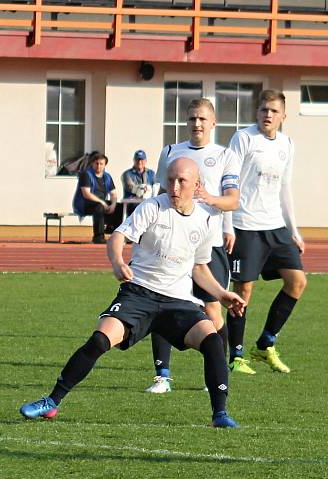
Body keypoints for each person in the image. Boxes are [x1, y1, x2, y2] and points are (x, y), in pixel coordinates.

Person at [20, 157, 246, 428]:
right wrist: (117, 262)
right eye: (170, 180)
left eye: (181, 181)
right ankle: (51, 402)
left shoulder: (206, 220)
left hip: (178, 301)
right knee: (100, 340)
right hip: (138, 294)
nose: (174, 187)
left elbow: (199, 268)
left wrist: (222, 294)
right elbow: (118, 236)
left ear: (197, 184)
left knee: (212, 341)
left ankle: (219, 414)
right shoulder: (152, 207)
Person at [144, 98, 242, 393]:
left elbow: (233, 199)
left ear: (213, 123)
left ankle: (218, 373)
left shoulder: (225, 155)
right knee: (160, 303)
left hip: (207, 244)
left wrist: (210, 200)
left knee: (213, 311)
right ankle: (162, 376)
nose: (196, 124)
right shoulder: (171, 152)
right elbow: (161, 193)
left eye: (202, 119)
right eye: (191, 119)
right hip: (172, 242)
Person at [226, 89, 307, 374]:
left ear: (283, 116)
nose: (267, 115)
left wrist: (294, 230)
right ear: (256, 112)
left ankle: (265, 343)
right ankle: (236, 356)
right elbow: (230, 182)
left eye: (273, 111)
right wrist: (228, 225)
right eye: (263, 110)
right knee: (243, 292)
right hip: (245, 226)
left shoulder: (287, 144)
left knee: (297, 282)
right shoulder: (244, 138)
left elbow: (285, 188)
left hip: (276, 227)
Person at [72, 152, 117, 243]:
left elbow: (113, 194)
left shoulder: (107, 177)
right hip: (84, 204)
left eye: (101, 164)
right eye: (97, 163)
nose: (99, 166)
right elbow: (86, 194)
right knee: (99, 207)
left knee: (120, 208)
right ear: (92, 163)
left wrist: (113, 204)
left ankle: (116, 234)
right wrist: (102, 202)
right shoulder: (86, 175)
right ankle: (98, 237)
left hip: (100, 203)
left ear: (105, 165)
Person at [119, 149, 155, 222]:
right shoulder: (126, 174)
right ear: (134, 160)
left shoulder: (151, 173)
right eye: (137, 160)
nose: (139, 162)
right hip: (132, 202)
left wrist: (147, 190)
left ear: (145, 161)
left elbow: (155, 188)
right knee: (140, 208)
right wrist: (145, 189)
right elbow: (131, 188)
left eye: (142, 160)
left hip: (148, 202)